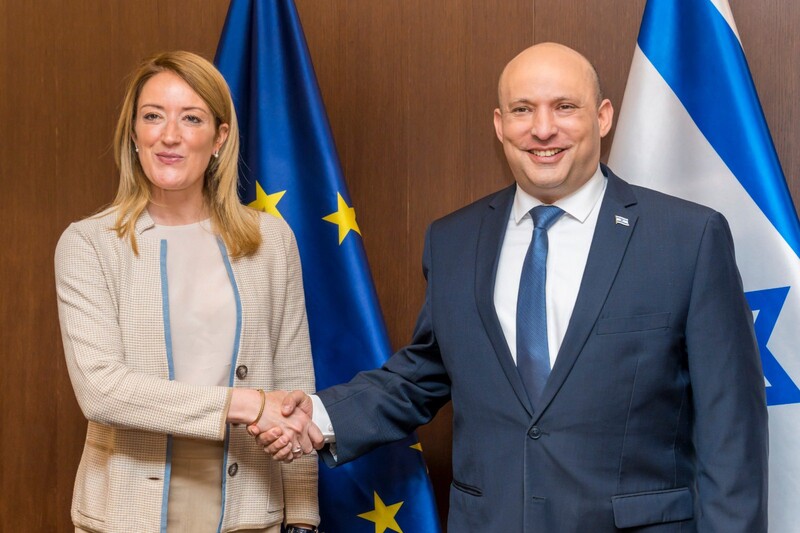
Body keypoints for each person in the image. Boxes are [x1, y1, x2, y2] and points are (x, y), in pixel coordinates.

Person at [259, 43, 768, 531]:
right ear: (500, 125)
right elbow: (425, 373)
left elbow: (732, 432)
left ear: (604, 116)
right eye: (523, 110)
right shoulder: (454, 239)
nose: (543, 129)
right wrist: (321, 415)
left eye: (565, 107)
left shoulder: (688, 237)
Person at [55, 51, 320, 533]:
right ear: (133, 132)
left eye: (191, 118)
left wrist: (302, 515)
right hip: (124, 512)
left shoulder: (272, 241)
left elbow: (295, 382)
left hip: (249, 511)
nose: (169, 135)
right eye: (152, 116)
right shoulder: (88, 244)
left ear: (219, 137)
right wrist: (246, 404)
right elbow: (101, 392)